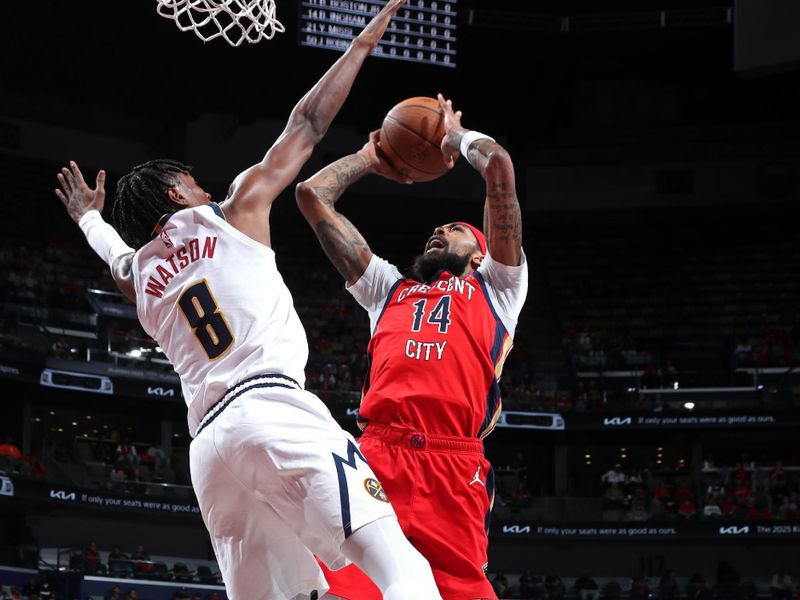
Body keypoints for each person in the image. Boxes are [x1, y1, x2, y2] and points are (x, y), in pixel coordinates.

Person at [54, 2, 441, 599]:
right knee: (403, 572)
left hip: (210, 452)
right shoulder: (233, 210)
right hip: (273, 410)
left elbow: (115, 255)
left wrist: (87, 218)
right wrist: (362, 45)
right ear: (178, 190)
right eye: (194, 180)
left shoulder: (142, 275)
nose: (205, 184)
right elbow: (307, 125)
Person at [296, 94, 527, 598]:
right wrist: (370, 160)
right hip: (378, 453)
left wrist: (453, 138)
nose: (439, 230)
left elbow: (500, 168)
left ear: (482, 252)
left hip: (453, 463)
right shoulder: (388, 289)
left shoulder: (500, 288)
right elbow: (312, 195)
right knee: (342, 588)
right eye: (436, 228)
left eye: (456, 228)